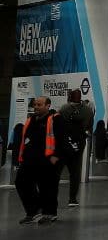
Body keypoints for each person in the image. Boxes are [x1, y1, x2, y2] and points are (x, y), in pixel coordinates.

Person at [15, 96, 66, 225]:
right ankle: (34, 211)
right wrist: (21, 157)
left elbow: (61, 139)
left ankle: (50, 213)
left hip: (47, 160)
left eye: (39, 105)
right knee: (21, 182)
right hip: (29, 160)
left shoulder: (55, 119)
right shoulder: (30, 120)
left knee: (47, 187)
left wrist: (55, 157)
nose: (36, 107)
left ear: (48, 106)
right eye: (35, 105)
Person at [57, 89, 95, 207]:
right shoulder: (88, 110)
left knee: (57, 171)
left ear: (70, 97)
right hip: (79, 143)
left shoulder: (64, 108)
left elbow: (58, 124)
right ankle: (72, 199)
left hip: (63, 143)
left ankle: (52, 198)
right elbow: (89, 126)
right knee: (75, 171)